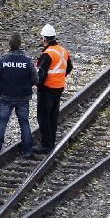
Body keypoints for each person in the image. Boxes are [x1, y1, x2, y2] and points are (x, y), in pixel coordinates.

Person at [0, 32, 37, 159]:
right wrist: (27, 87)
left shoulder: (4, 60)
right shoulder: (27, 61)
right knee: (24, 123)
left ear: (9, 45)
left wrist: (1, 91)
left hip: (6, 97)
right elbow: (35, 79)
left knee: (2, 122)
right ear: (20, 44)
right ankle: (28, 151)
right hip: (23, 97)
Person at [35, 23, 72, 155]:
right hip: (58, 87)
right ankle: (51, 142)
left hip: (47, 89)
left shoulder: (47, 54)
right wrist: (60, 76)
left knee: (44, 117)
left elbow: (41, 73)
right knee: (53, 116)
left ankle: (46, 144)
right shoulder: (63, 51)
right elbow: (68, 68)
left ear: (44, 39)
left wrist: (38, 85)